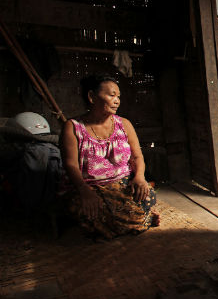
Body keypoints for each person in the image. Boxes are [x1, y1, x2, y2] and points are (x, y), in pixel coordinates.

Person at [60, 74, 158, 239]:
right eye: (111, 95)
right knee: (86, 207)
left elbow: (137, 157)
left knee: (146, 194)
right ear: (91, 97)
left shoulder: (124, 124)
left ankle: (120, 224)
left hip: (122, 184)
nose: (117, 100)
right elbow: (70, 165)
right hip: (90, 187)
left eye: (118, 96)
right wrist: (85, 191)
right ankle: (141, 220)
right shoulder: (73, 127)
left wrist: (140, 177)